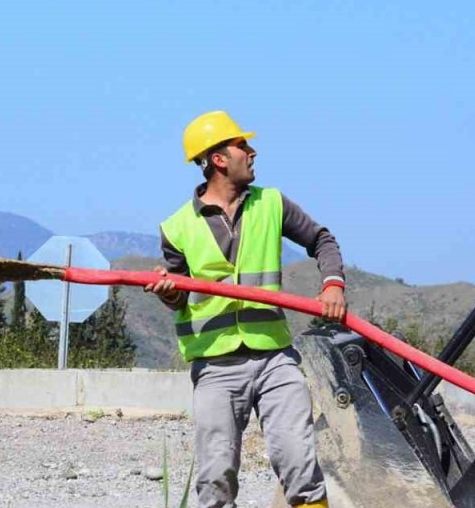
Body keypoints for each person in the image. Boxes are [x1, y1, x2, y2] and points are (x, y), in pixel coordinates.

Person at [145, 110, 346, 508]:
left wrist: (333, 284)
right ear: (219, 159)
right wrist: (168, 293)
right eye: (242, 145)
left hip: (275, 358)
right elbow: (181, 298)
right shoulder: (177, 227)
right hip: (215, 366)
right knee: (215, 478)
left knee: (300, 464)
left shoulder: (271, 203)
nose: (251, 152)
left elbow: (321, 240)